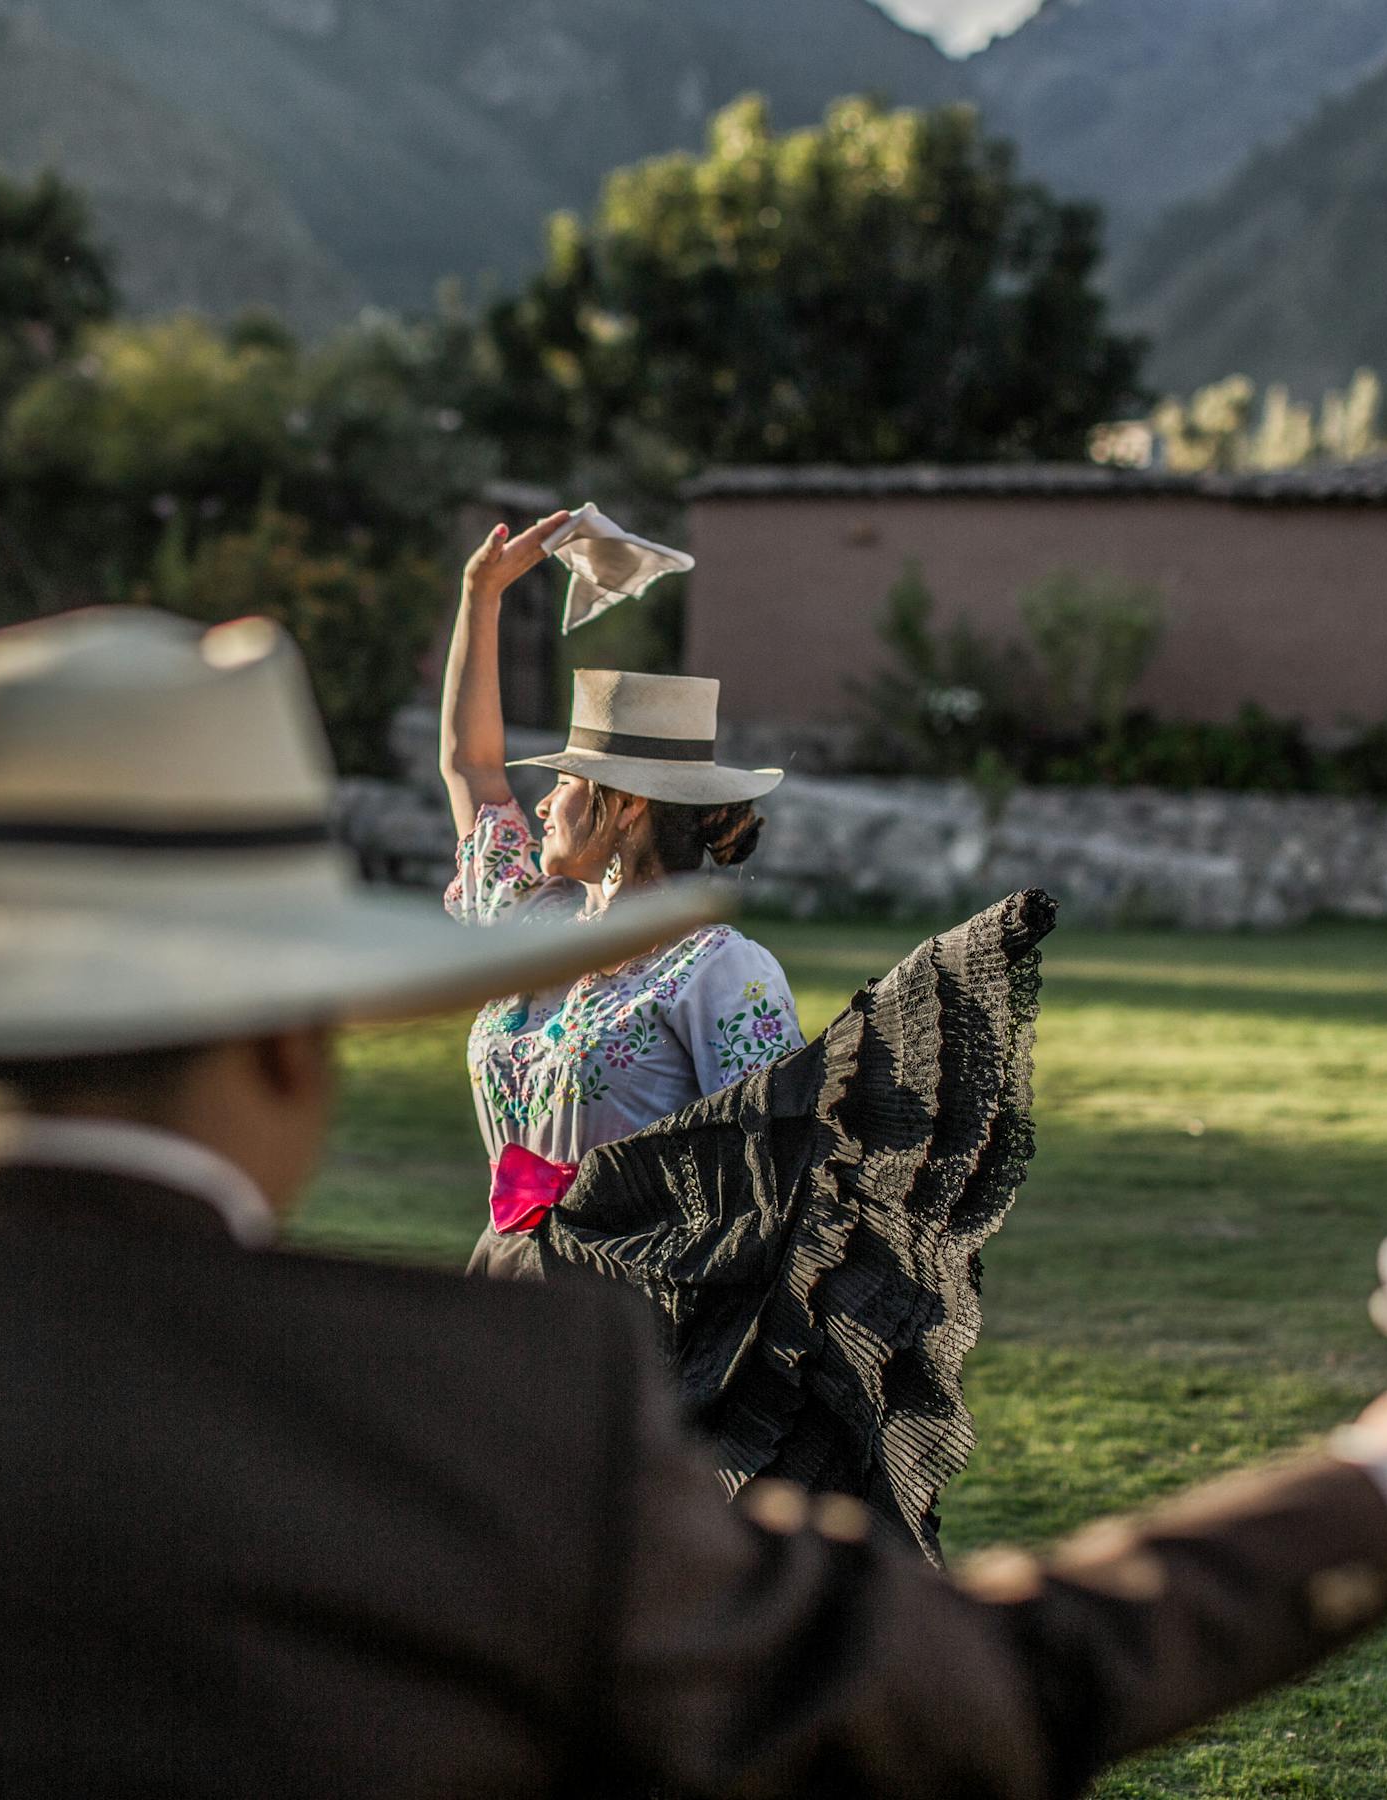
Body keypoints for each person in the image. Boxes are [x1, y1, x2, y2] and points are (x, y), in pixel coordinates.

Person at [0, 604, 1387, 1800]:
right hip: (535, 1312)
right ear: (300, 1046)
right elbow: (965, 1695)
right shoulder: (487, 1438)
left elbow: (760, 1178)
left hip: (634, 1289)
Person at [439, 512, 1050, 1558]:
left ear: (627, 809)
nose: (543, 803)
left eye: (569, 782)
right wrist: (480, 597)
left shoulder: (723, 974)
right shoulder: (529, 926)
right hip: (503, 1295)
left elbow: (776, 1183)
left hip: (643, 1331)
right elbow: (470, 771)